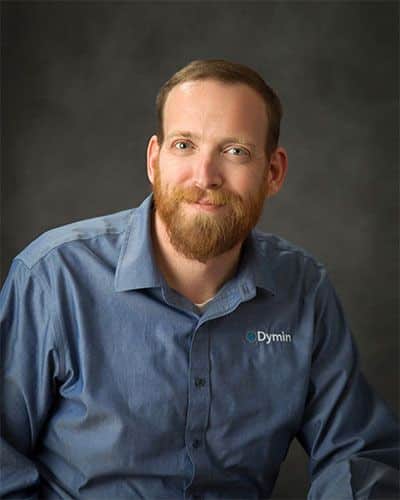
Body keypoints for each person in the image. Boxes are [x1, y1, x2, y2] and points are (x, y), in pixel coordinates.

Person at [0, 59, 399, 499]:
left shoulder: (303, 289)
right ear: (155, 160)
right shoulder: (54, 278)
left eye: (235, 152)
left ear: (274, 173)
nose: (205, 177)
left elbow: (355, 454)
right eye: (185, 145)